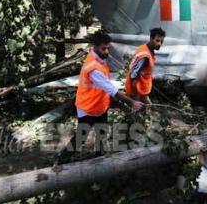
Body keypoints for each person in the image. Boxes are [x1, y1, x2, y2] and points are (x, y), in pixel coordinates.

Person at [57, 31, 145, 163]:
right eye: (103, 48)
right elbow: (112, 90)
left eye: (108, 48)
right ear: (94, 46)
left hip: (100, 106)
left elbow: (106, 84)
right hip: (87, 108)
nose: (107, 52)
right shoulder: (93, 68)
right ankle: (61, 162)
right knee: (81, 137)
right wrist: (132, 102)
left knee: (102, 132)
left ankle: (98, 157)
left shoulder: (98, 59)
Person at [125, 27, 165, 105]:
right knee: (140, 111)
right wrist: (136, 97)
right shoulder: (145, 57)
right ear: (151, 38)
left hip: (143, 90)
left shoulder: (145, 48)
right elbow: (133, 76)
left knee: (148, 106)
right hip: (138, 91)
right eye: (157, 40)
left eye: (161, 41)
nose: (159, 44)